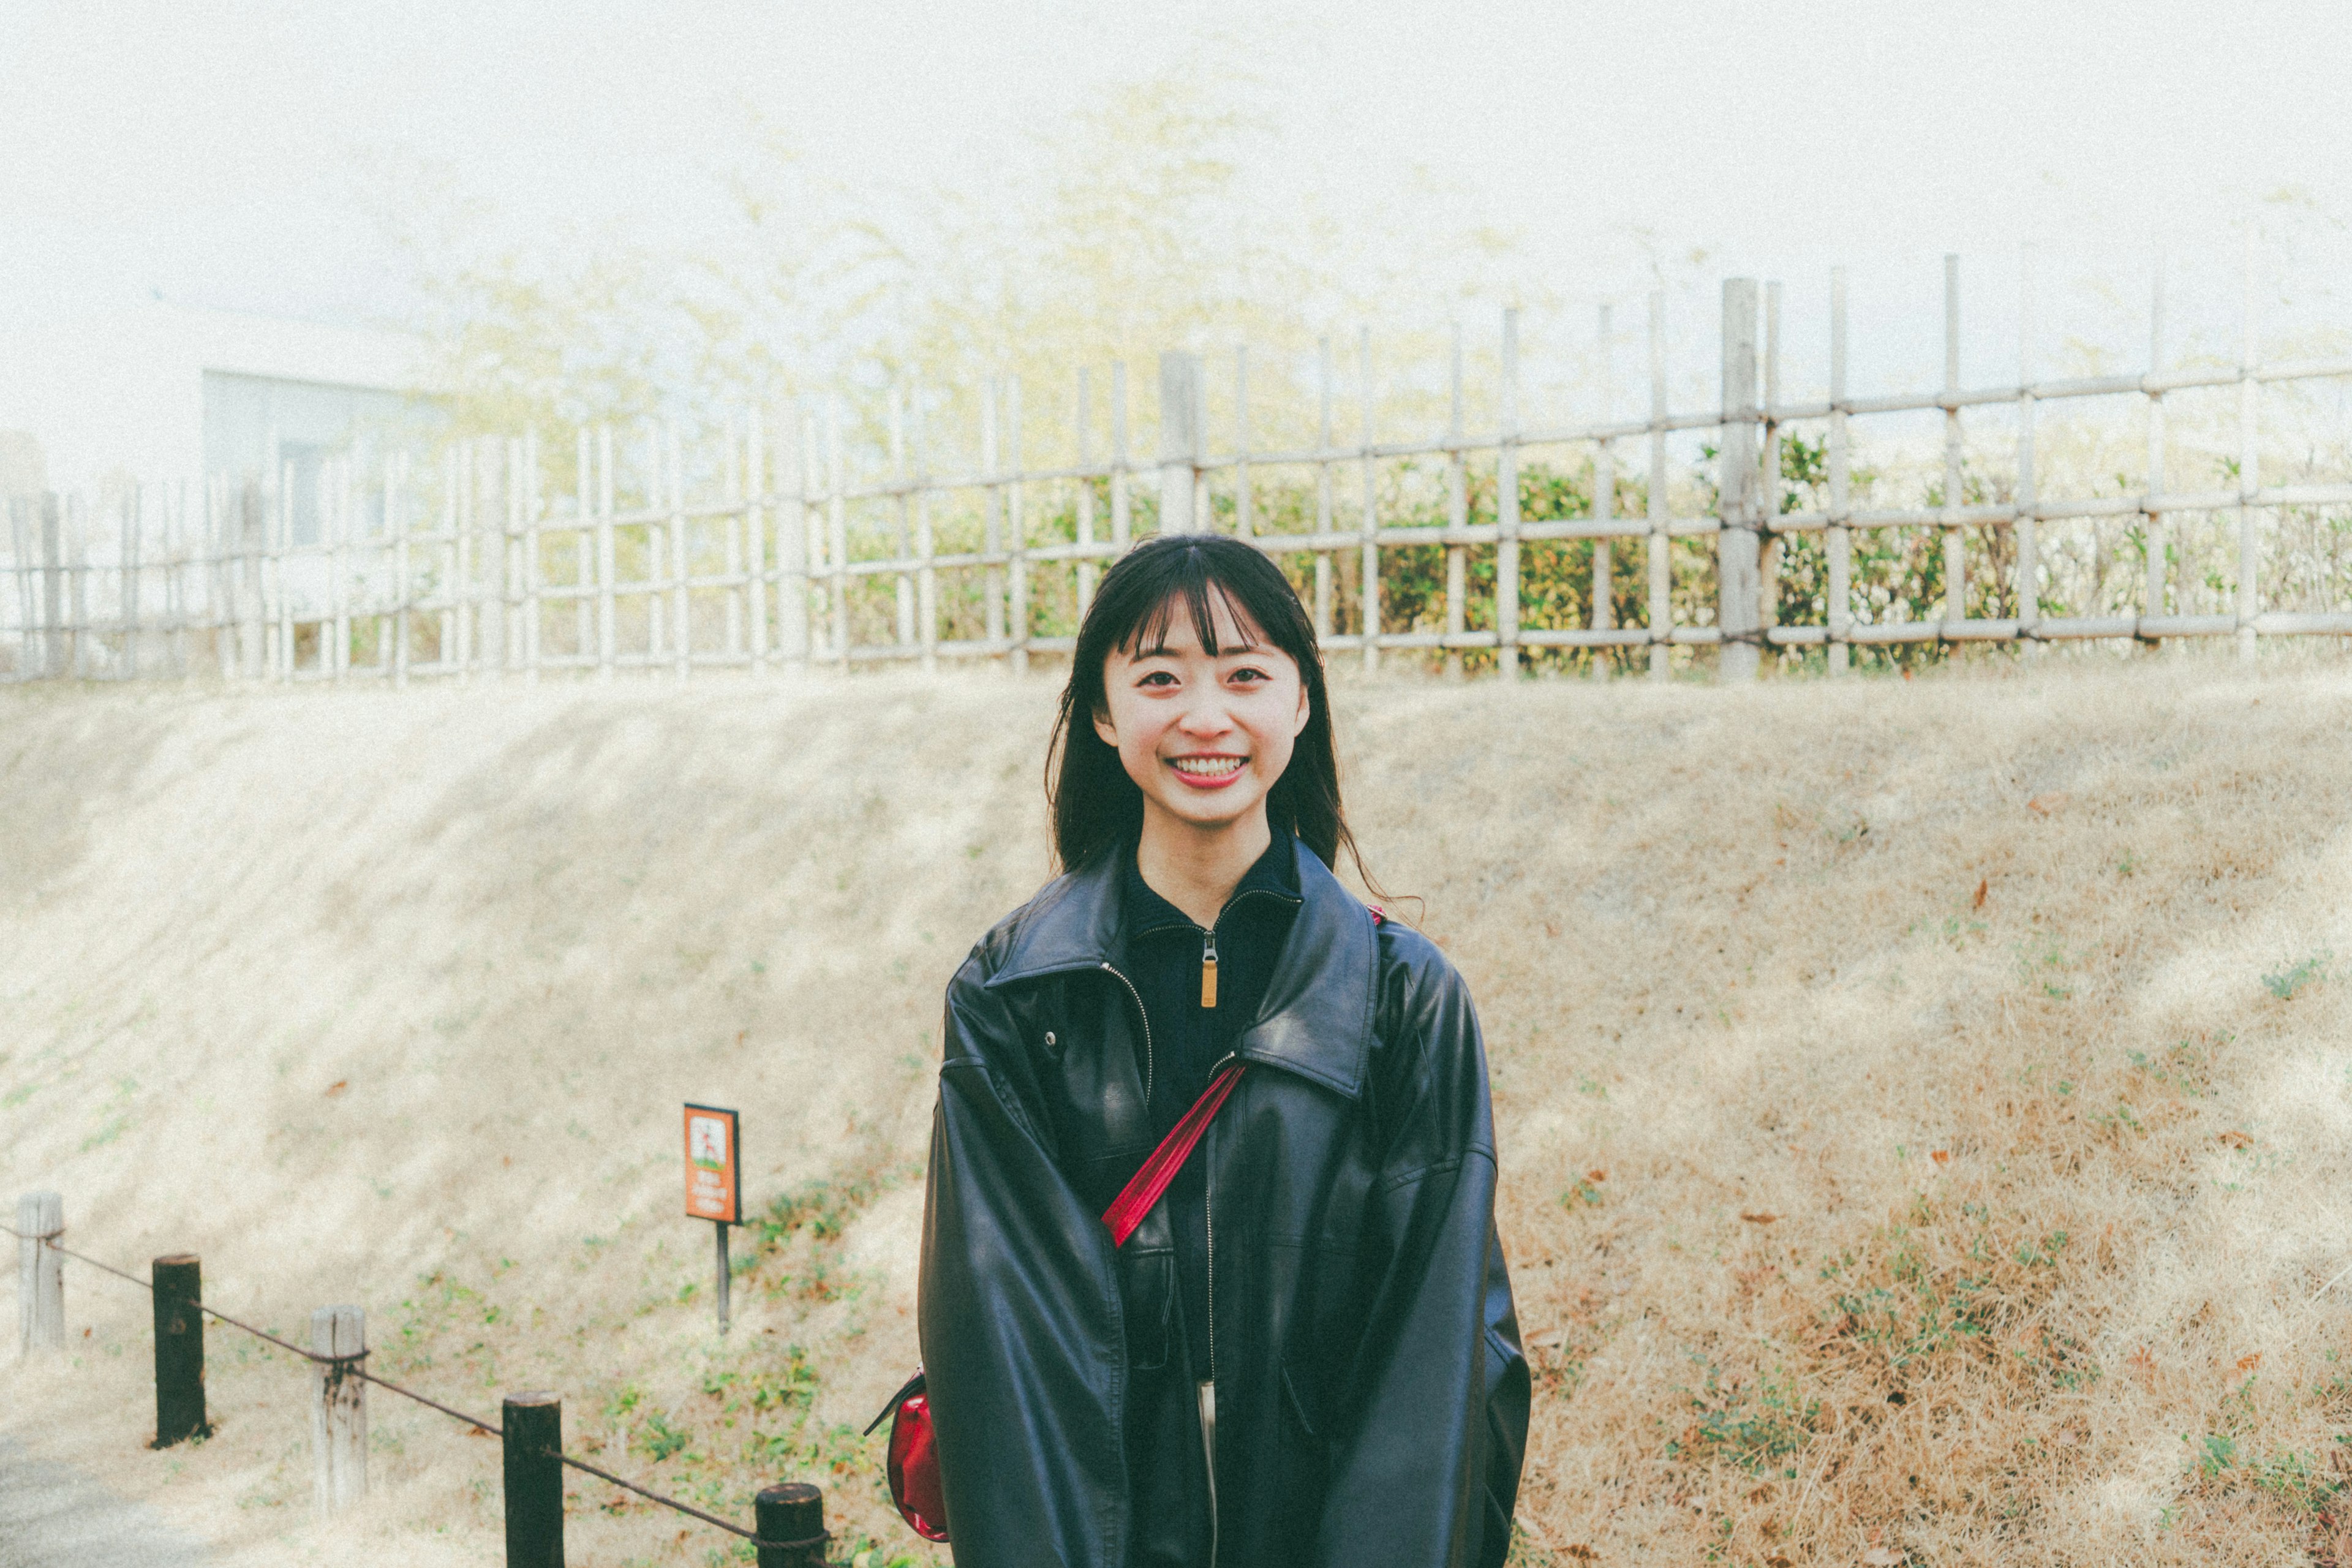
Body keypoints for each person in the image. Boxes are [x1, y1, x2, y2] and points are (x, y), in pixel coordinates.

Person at [918, 535, 1528, 1568]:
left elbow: (1437, 1363)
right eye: (1161, 678)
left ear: (1300, 702)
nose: (1207, 717)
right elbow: (1003, 1357)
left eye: (1246, 674)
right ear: (1105, 713)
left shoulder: (1404, 999)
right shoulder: (1015, 996)